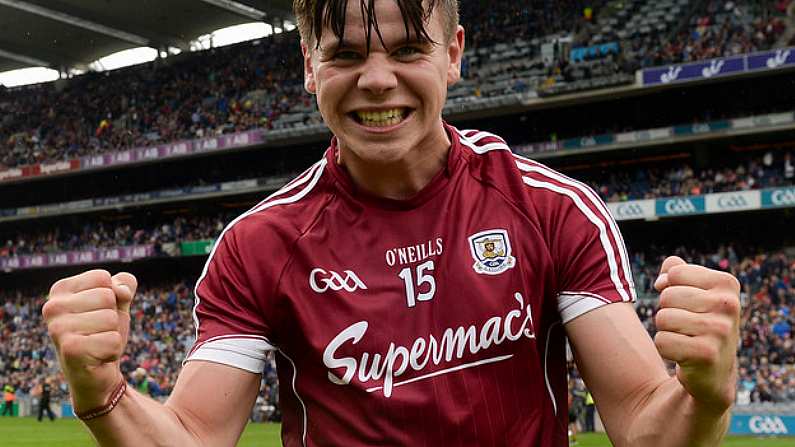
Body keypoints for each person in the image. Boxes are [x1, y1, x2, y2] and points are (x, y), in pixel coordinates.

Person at [42, 1, 741, 446]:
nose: (377, 79)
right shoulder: (258, 244)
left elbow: (647, 427)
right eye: (345, 54)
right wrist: (102, 392)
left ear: (454, 53)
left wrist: (703, 395)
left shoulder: (550, 208)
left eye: (407, 49)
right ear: (309, 67)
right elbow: (192, 435)